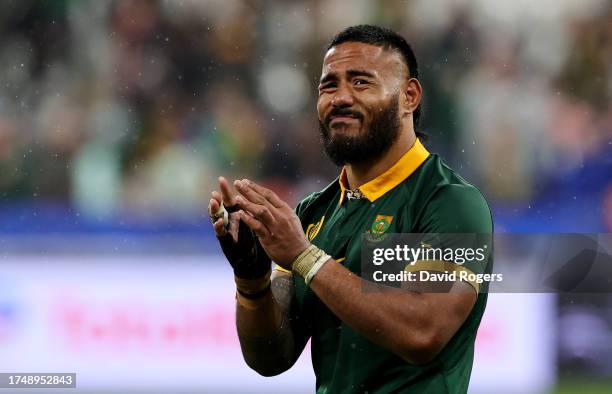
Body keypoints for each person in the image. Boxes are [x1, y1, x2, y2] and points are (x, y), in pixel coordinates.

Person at [208, 25, 493, 394]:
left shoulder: (449, 201)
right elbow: (270, 358)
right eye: (329, 85)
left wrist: (306, 258)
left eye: (361, 83)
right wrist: (252, 279)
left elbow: (422, 332)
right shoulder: (312, 213)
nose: (340, 97)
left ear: (410, 96)